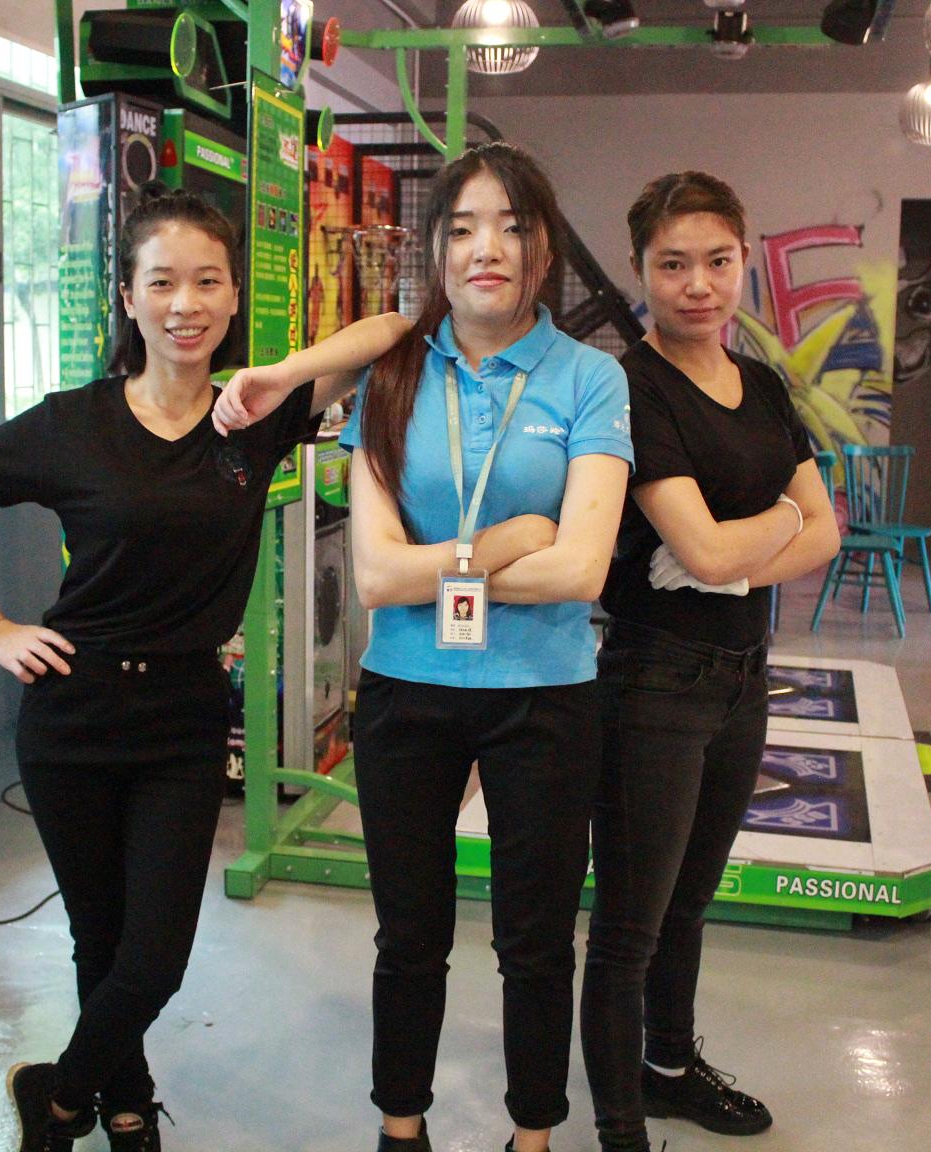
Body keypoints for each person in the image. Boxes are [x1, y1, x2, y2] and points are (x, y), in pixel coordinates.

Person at [0, 184, 405, 1152]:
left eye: (208, 281)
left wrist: (276, 372)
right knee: (100, 939)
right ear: (127, 298)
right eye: (162, 281)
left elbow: (388, 333)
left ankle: (56, 1097)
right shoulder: (72, 423)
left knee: (154, 960)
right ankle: (125, 1103)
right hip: (72, 710)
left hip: (182, 714)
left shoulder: (254, 415)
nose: (186, 303)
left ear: (232, 297)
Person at [334, 140, 632, 1152]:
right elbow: (374, 578)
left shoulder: (590, 379)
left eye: (511, 226)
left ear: (544, 249)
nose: (486, 248)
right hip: (405, 689)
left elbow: (582, 570)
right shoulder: (391, 376)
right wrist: (505, 543)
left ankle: (532, 1135)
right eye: (462, 228)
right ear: (437, 252)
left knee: (536, 942)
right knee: (409, 935)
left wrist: (436, 569)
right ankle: (401, 1128)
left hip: (543, 691)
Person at [582, 172, 839, 1151]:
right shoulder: (631, 387)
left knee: (689, 901)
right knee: (631, 926)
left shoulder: (761, 384)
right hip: (653, 681)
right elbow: (706, 549)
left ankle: (670, 1068)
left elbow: (826, 531)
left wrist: (745, 546)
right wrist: (777, 524)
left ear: (743, 259)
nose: (698, 285)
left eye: (718, 261)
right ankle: (620, 1126)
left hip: (741, 675)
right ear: (641, 269)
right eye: (673, 264)